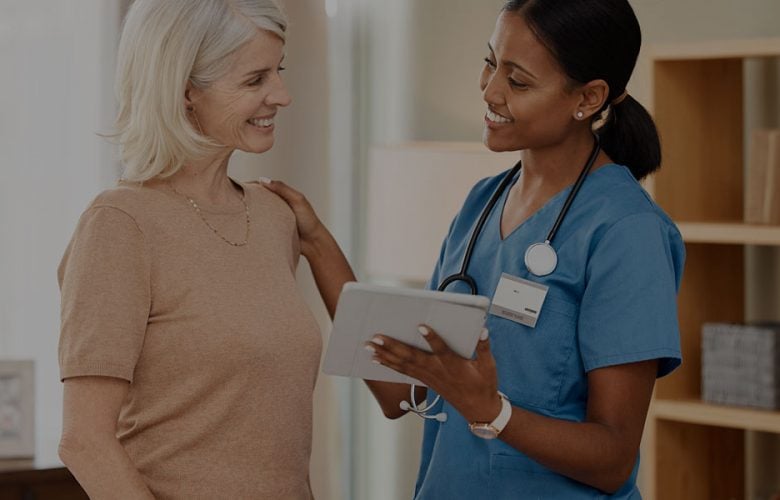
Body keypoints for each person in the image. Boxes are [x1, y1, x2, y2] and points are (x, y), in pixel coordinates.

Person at [265, 0, 684, 498]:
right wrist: (317, 244)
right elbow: (401, 393)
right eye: (490, 63)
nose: (490, 91)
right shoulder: (482, 204)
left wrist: (491, 411)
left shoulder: (626, 230)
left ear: (589, 98)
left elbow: (613, 460)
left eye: (519, 81)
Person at [57, 1, 322, 498]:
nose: (282, 95)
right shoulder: (119, 224)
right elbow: (84, 441)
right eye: (254, 80)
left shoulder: (273, 216)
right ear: (184, 92)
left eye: (278, 72)